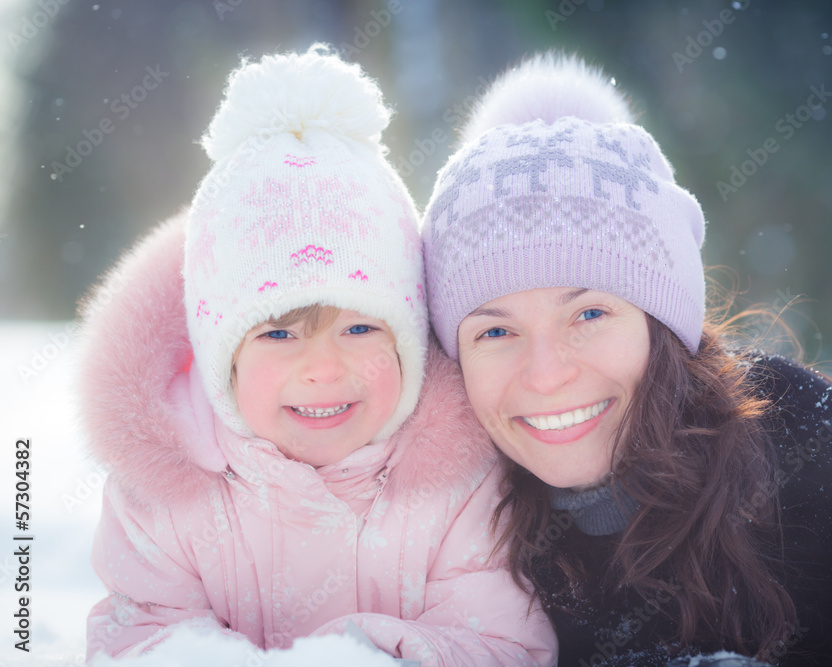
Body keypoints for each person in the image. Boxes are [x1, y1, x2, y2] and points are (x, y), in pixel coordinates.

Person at [420, 52, 832, 666]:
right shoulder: (460, 521)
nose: (545, 373)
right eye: (495, 332)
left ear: (662, 325)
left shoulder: (816, 459)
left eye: (588, 314)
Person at [80, 45, 556, 665]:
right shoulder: (166, 491)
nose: (325, 369)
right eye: (278, 334)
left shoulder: (458, 480)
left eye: (360, 329)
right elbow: (134, 640)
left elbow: (504, 646)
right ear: (221, 356)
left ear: (408, 339)